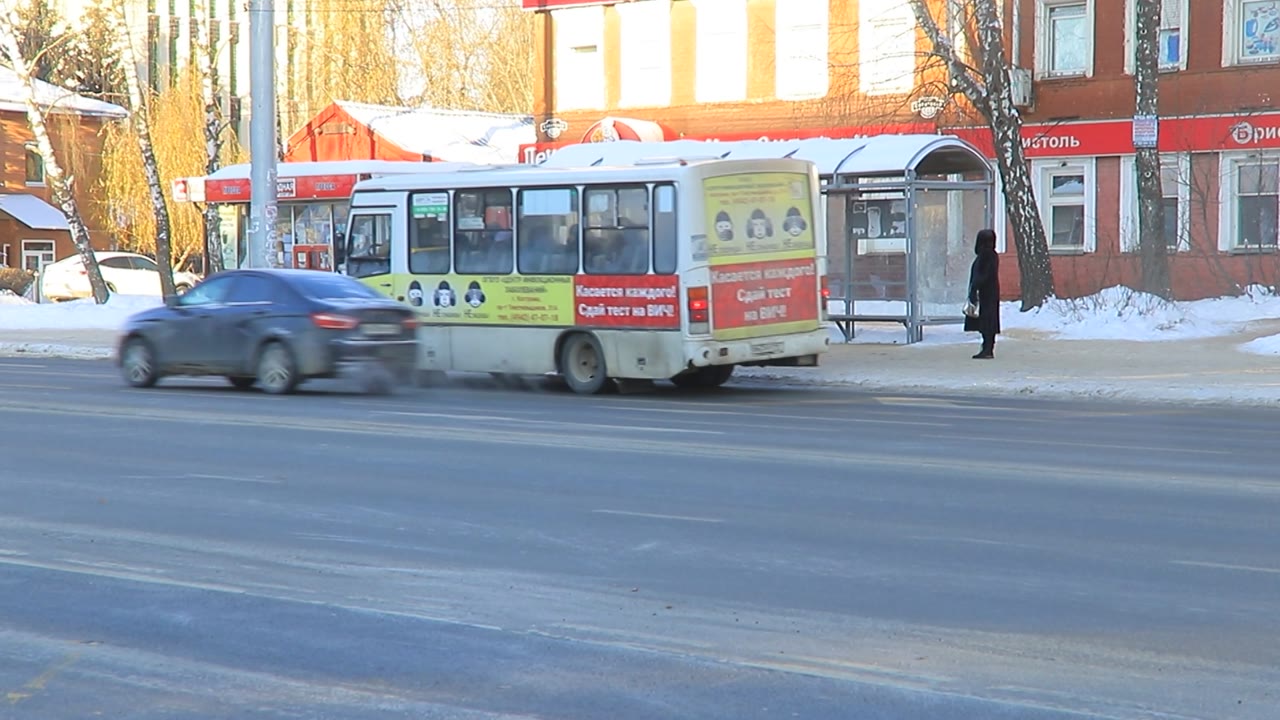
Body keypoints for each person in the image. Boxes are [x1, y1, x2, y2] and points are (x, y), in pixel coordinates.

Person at [965, 228, 1001, 359]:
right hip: (988, 292)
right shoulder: (990, 254)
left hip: (985, 293)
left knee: (987, 321)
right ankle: (987, 347)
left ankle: (987, 348)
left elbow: (984, 274)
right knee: (987, 320)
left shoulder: (987, 255)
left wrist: (976, 286)